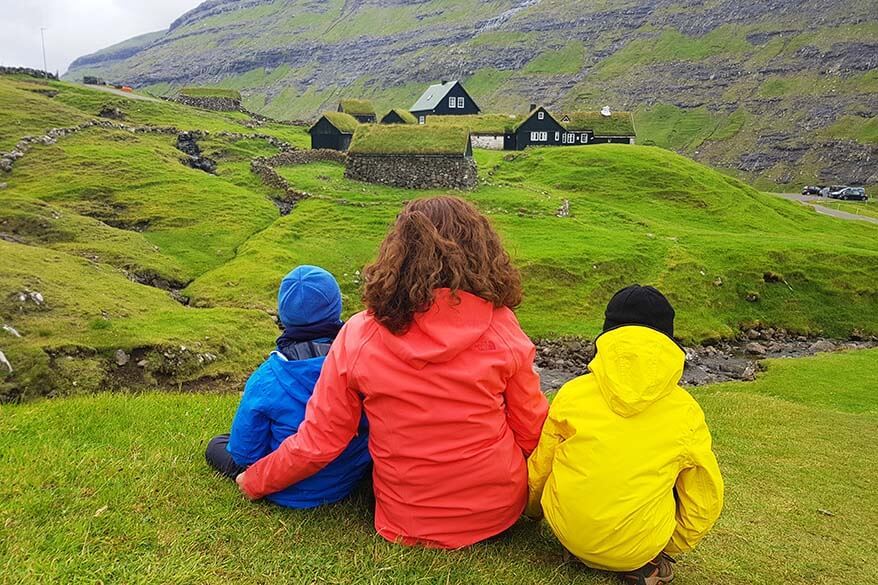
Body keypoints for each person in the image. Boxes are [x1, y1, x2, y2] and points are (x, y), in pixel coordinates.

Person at [236, 196, 549, 548]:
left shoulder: (358, 334)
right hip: (497, 512)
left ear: (396, 256)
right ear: (483, 252)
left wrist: (254, 480)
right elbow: (533, 430)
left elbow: (321, 441)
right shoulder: (502, 326)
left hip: (406, 520)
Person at [526, 285, 724, 585]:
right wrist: (670, 543)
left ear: (607, 335)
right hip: (638, 545)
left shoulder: (573, 393)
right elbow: (704, 498)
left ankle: (581, 546)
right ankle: (642, 563)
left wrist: (533, 512)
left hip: (565, 529)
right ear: (668, 342)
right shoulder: (686, 411)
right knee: (674, 472)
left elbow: (541, 468)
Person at [205, 265, 371, 509]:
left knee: (218, 445)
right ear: (336, 308)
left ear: (283, 317)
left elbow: (244, 454)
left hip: (286, 491)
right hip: (346, 479)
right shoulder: (362, 360)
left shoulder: (266, 378)